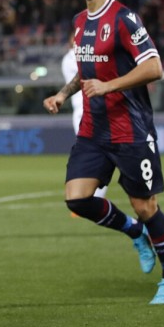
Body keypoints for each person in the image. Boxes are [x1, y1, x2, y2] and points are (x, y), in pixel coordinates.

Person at [43, 0, 164, 304]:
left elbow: (154, 67)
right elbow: (85, 70)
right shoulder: (79, 22)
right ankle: (134, 232)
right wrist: (62, 94)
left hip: (129, 128)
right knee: (77, 198)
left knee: (145, 206)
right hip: (94, 129)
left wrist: (109, 86)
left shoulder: (124, 19)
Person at [61, 32, 108, 201]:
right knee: (94, 152)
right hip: (83, 110)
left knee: (101, 152)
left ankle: (94, 196)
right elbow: (90, 73)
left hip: (100, 109)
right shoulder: (69, 59)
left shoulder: (88, 54)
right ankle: (93, 196)